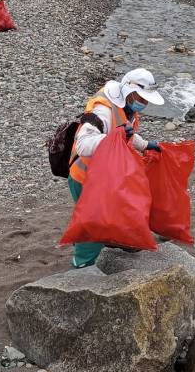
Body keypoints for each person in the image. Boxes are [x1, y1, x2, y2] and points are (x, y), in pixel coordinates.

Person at [67, 68, 165, 268]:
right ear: (128, 92)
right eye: (141, 98)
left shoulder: (126, 108)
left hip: (105, 177)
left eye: (146, 100)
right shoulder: (102, 110)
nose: (144, 103)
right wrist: (117, 137)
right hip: (86, 178)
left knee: (119, 210)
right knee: (93, 225)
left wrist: (145, 145)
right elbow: (83, 145)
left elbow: (123, 133)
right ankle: (81, 267)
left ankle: (116, 239)